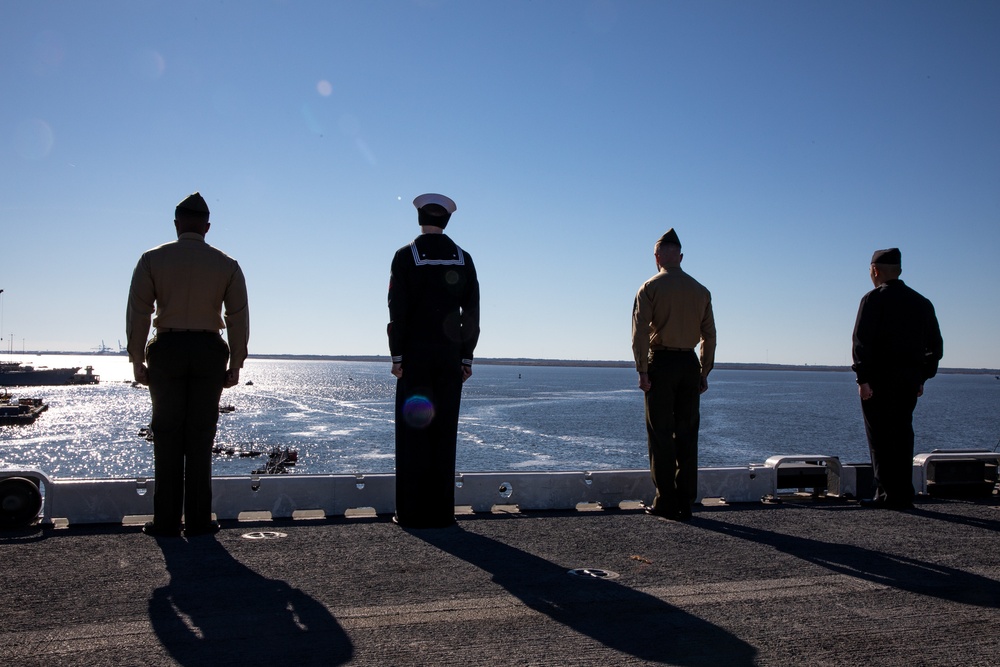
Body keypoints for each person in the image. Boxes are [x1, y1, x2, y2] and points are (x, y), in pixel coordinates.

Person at [126, 192, 250, 537]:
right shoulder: (227, 264)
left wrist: (137, 359)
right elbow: (237, 317)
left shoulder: (152, 259)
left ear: (177, 224)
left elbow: (139, 313)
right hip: (210, 349)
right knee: (200, 435)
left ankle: (165, 521)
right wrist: (236, 362)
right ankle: (198, 520)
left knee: (166, 434)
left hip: (166, 348)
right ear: (207, 227)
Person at [387, 193, 480, 528]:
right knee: (444, 434)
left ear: (419, 218)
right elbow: (471, 312)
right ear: (447, 221)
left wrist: (397, 355)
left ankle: (411, 513)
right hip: (449, 358)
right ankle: (442, 513)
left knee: (413, 434)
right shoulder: (463, 258)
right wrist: (466, 358)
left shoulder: (405, 256)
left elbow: (397, 310)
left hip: (414, 357)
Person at [632, 229, 716, 521]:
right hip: (689, 364)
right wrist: (704, 371)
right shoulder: (701, 290)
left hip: (662, 363)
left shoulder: (649, 287)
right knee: (688, 435)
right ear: (680, 257)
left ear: (657, 257)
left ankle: (665, 500)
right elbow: (709, 336)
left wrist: (642, 370)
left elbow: (640, 333)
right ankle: (685, 502)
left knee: (660, 434)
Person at [852, 247, 942, 510]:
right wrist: (922, 377)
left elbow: (861, 343)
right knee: (903, 434)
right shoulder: (922, 303)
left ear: (875, 270)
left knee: (879, 437)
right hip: (908, 381)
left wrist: (863, 379)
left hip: (878, 382)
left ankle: (886, 494)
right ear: (899, 271)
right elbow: (935, 347)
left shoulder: (872, 300)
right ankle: (903, 494)